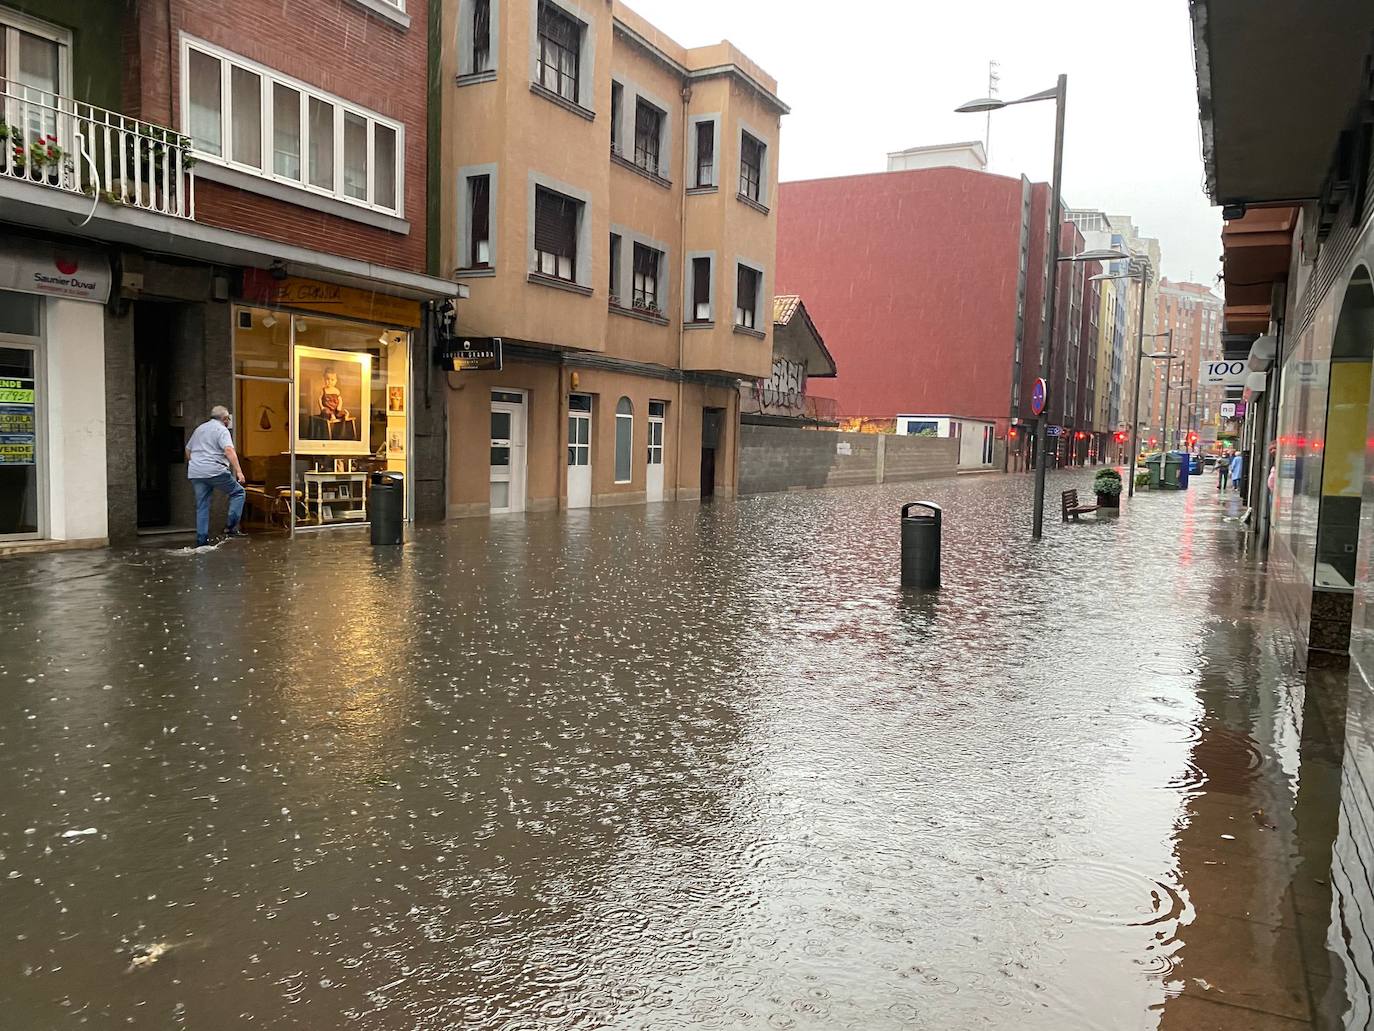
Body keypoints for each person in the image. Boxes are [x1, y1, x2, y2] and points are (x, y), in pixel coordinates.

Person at [185, 405, 246, 547]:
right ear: (225, 419)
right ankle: (231, 528)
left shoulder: (199, 429)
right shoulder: (222, 430)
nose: (228, 421)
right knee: (238, 492)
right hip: (215, 470)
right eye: (228, 419)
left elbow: (188, 450)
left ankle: (202, 541)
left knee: (202, 505)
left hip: (196, 472)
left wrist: (196, 464)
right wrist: (239, 471)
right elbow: (229, 450)